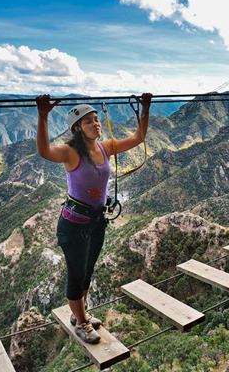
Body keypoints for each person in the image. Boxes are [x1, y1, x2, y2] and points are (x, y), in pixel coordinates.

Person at [35, 93, 151, 344]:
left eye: (97, 119)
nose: (96, 124)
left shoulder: (104, 147)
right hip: (74, 225)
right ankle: (80, 322)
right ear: (77, 128)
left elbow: (139, 137)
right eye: (89, 121)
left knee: (87, 271)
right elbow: (44, 151)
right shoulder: (69, 152)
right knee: (76, 274)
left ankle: (81, 315)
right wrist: (43, 115)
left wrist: (145, 109)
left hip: (97, 221)